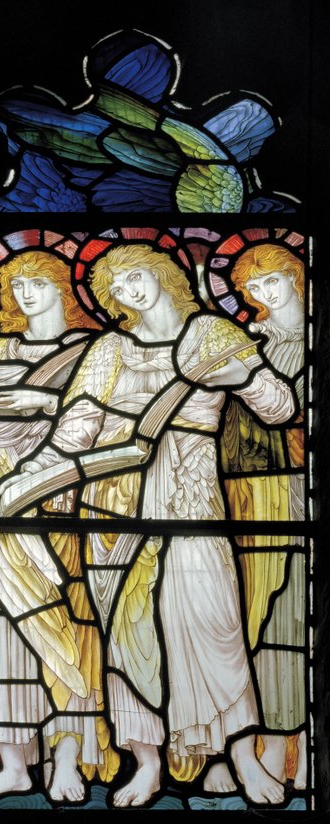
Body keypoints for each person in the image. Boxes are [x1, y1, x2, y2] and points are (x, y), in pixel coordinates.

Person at [0, 244, 296, 807]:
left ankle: (241, 755)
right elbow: (75, 427)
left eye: (136, 276)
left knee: (213, 623)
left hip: (189, 497)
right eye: (116, 287)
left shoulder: (212, 334)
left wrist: (245, 376)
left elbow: (281, 408)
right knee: (127, 634)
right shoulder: (110, 348)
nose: (129, 291)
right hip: (111, 504)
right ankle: (148, 762)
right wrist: (32, 475)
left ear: (163, 274)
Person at [0, 250, 118, 801]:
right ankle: (13, 763)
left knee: (67, 630)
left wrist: (42, 401)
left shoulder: (91, 349)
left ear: (64, 290)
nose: (26, 295)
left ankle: (67, 758)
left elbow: (107, 415)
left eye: (38, 284)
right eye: (17, 285)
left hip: (54, 505)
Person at [227, 243, 306, 789]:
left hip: (297, 495)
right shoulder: (254, 345)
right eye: (253, 287)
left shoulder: (307, 344)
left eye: (271, 279)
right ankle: (267, 744)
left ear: (297, 277)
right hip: (256, 496)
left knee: (291, 617)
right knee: (260, 617)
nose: (263, 293)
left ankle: (292, 746)